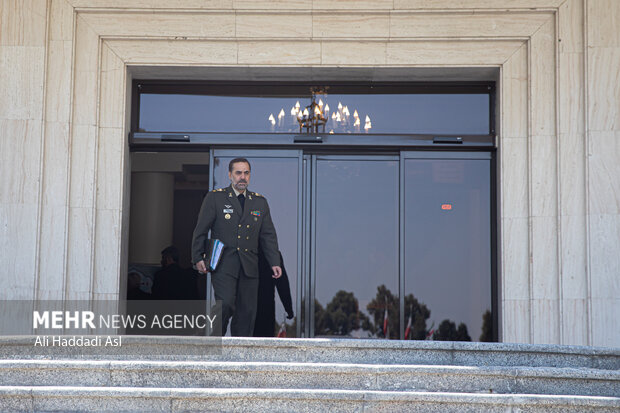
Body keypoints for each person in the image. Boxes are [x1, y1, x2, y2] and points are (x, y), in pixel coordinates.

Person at [191, 158, 282, 336]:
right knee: (225, 304)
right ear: (230, 175)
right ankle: (214, 340)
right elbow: (201, 229)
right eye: (238, 173)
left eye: (246, 173)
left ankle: (240, 353)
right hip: (224, 263)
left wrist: (274, 262)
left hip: (249, 265)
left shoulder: (259, 202)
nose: (242, 177)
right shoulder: (216, 198)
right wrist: (197, 257)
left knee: (246, 312)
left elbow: (268, 235)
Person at [253, 249, 294, 337]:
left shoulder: (246, 253)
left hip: (248, 310)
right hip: (266, 311)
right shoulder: (273, 256)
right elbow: (283, 284)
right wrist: (288, 308)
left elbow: (283, 284)